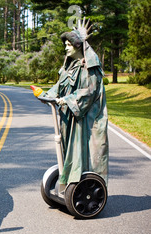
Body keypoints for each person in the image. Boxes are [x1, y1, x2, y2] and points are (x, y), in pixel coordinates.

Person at [42, 18, 109, 186]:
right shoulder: (70, 66)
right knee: (67, 151)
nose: (65, 48)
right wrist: (47, 94)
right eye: (65, 44)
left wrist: (65, 100)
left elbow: (89, 92)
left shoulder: (90, 66)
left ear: (78, 46)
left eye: (68, 45)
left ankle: (87, 186)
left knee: (87, 154)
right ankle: (69, 182)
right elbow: (60, 85)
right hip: (69, 117)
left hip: (86, 120)